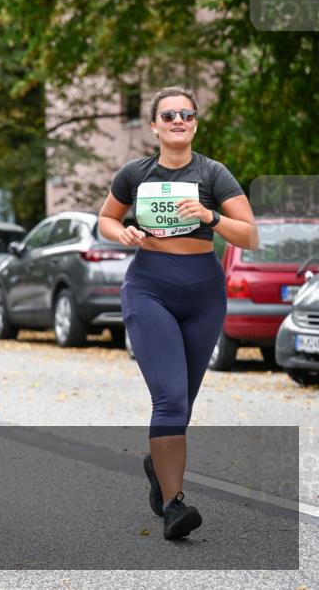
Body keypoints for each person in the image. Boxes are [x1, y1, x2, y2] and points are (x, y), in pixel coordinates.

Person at [98, 86, 259, 540]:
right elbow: (106, 219)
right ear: (154, 125)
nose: (178, 121)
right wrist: (122, 233)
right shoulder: (135, 173)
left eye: (186, 114)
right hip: (150, 288)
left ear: (195, 124)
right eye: (168, 115)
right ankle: (174, 505)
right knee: (169, 397)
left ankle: (159, 464)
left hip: (204, 292)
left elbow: (250, 236)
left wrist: (210, 217)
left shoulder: (213, 173)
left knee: (182, 401)